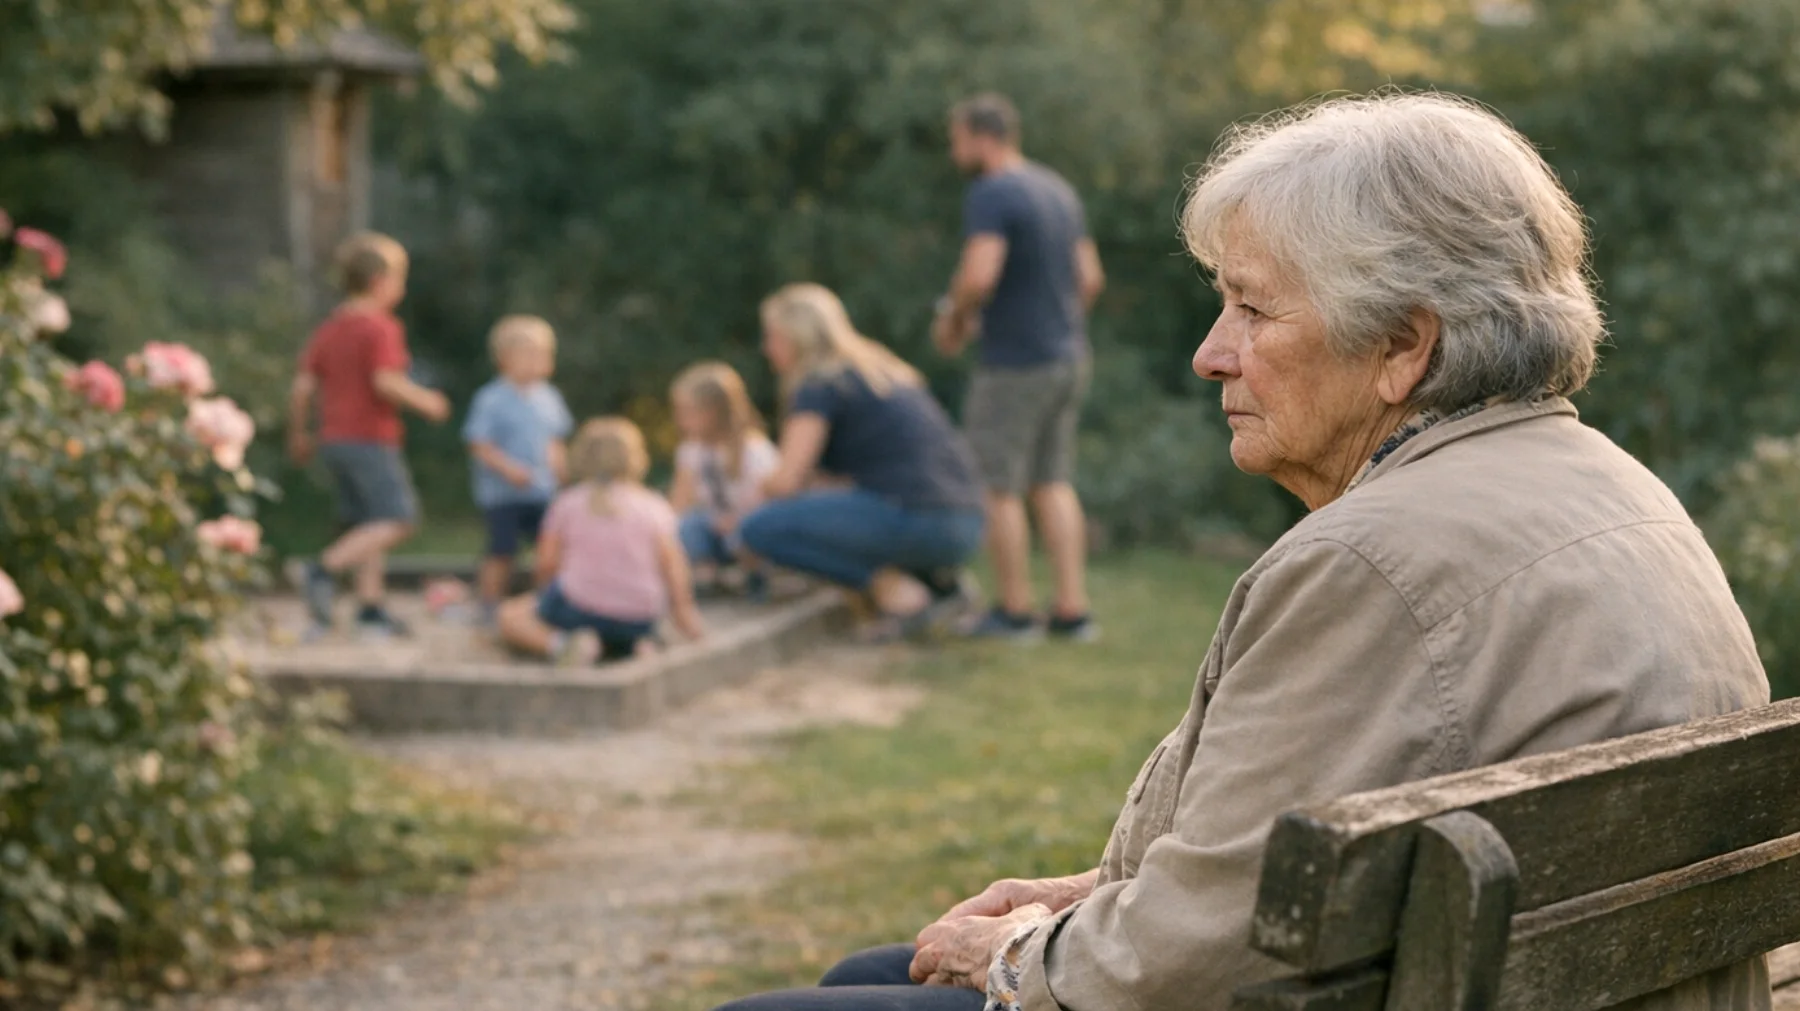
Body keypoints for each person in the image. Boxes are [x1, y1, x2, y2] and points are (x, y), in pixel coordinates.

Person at [716, 93, 1772, 1011]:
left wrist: (1018, 956)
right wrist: (1088, 900)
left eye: (1251, 309)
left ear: (1406, 345)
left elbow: (1180, 971)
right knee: (873, 973)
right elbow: (1293, 877)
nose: (1210, 353)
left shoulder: (1371, 561)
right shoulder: (1618, 486)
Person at [933, 92, 1106, 642]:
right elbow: (1090, 278)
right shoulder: (1056, 188)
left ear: (981, 137)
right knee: (1051, 481)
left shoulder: (992, 191)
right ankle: (1071, 612)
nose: (953, 150)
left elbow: (981, 274)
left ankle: (1012, 612)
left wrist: (955, 317)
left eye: (956, 138)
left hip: (1014, 363)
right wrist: (1055, 321)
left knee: (996, 485)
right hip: (1068, 356)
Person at [740, 283, 985, 640]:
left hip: (915, 517)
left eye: (772, 337)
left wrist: (748, 499)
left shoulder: (819, 383)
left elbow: (785, 482)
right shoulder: (883, 372)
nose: (766, 349)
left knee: (760, 529)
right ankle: (938, 584)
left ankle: (896, 591)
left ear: (798, 337)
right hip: (965, 522)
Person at [287, 231, 450, 638]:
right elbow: (386, 382)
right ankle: (320, 570)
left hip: (333, 440)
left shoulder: (329, 329)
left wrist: (300, 434)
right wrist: (427, 402)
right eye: (400, 279)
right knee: (398, 517)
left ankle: (370, 606)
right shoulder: (379, 327)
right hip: (369, 438)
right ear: (380, 281)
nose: (402, 289)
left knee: (367, 522)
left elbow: (302, 387)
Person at [496, 417, 704, 664]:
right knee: (620, 621)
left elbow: (547, 564)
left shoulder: (568, 503)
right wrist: (684, 614)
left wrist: (547, 595)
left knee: (510, 616)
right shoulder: (654, 505)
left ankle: (561, 645)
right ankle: (634, 646)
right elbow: (673, 566)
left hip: (580, 609)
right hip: (639, 617)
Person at [463, 314, 573, 624]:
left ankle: (546, 603)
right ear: (504, 359)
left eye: (543, 355)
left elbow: (555, 441)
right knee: (502, 550)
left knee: (549, 549)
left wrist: (563, 473)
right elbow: (479, 444)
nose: (538, 361)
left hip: (542, 490)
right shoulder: (491, 399)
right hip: (504, 495)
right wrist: (508, 469)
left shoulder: (549, 397)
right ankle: (488, 604)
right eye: (529, 354)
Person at [668, 361, 780, 597]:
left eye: (688, 412)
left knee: (745, 531)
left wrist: (736, 520)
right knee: (689, 525)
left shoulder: (753, 450)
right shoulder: (690, 452)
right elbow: (679, 503)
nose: (680, 420)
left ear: (714, 412)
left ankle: (755, 573)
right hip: (715, 528)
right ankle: (705, 577)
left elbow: (772, 500)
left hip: (747, 527)